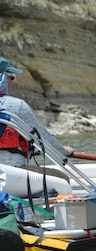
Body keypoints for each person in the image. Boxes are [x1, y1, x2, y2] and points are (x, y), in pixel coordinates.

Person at [0, 57, 73, 197]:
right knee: (62, 178)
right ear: (1, 78)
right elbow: (42, 138)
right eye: (10, 77)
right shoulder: (16, 106)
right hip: (6, 175)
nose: (11, 81)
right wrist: (63, 151)